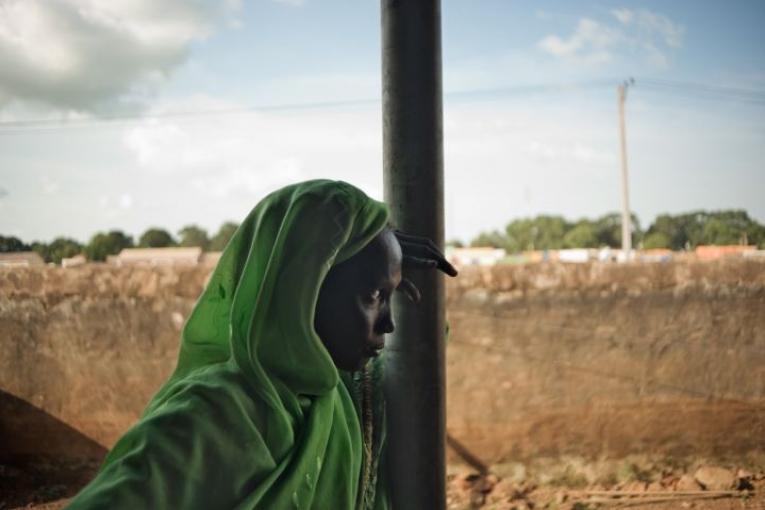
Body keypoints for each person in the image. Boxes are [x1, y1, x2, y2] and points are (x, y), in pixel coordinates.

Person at [67, 179, 457, 509]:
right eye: (373, 296)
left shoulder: (334, 396)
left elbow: (410, 362)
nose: (388, 323)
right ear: (300, 291)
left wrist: (389, 264)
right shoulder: (212, 417)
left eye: (390, 297)